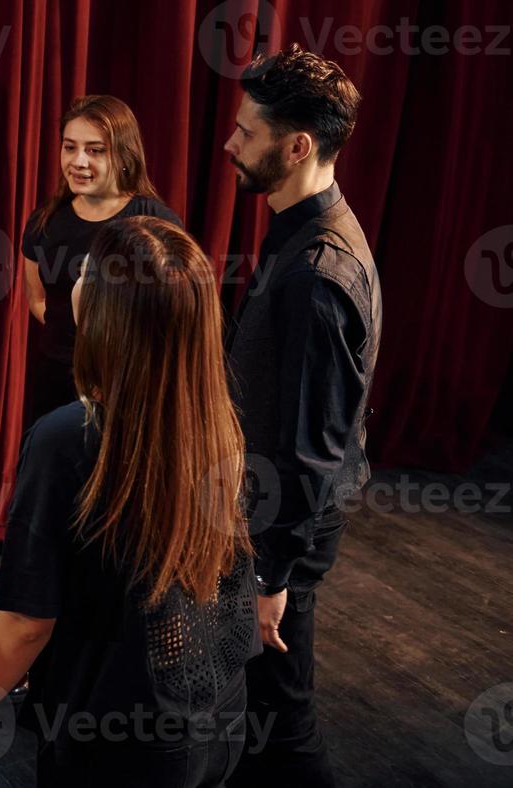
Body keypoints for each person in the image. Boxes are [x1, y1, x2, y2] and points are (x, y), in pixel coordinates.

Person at [0, 216, 260, 787]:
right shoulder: (217, 420)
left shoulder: (68, 439)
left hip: (119, 740)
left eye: (86, 270)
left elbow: (26, 623)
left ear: (112, 314)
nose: (75, 277)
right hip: (218, 717)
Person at [223, 46, 380, 788]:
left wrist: (268, 579)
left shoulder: (317, 272)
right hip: (269, 524)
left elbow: (312, 450)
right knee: (260, 722)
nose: (229, 143)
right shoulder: (299, 232)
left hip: (280, 539)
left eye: (245, 132)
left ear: (296, 147)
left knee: (283, 725)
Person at [20, 95, 180, 424]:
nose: (78, 161)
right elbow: (37, 298)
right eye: (70, 147)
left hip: (128, 387)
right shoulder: (44, 222)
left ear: (123, 154)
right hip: (55, 382)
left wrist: (110, 355)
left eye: (95, 150)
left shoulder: (153, 223)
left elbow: (174, 313)